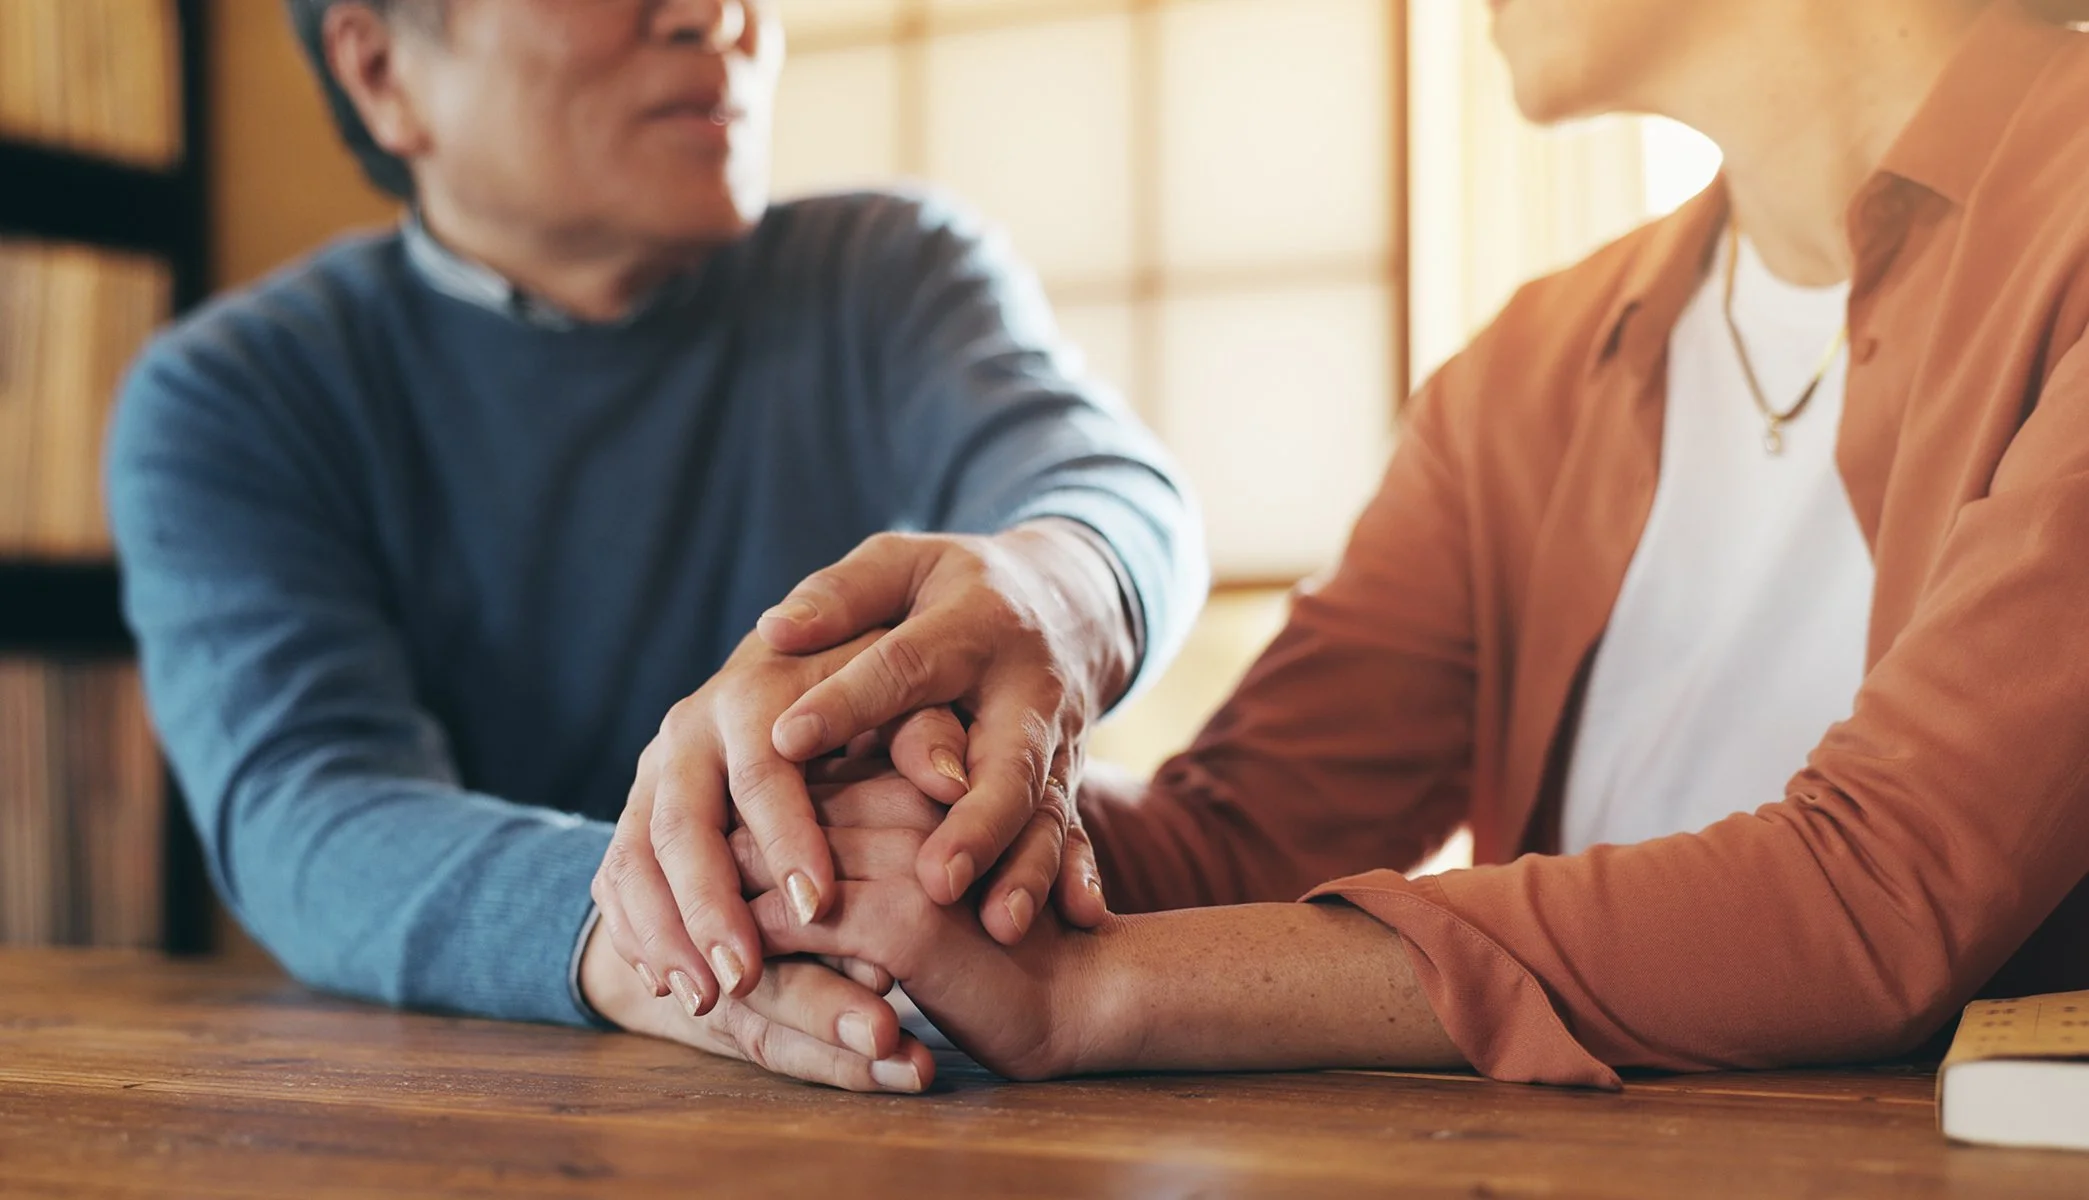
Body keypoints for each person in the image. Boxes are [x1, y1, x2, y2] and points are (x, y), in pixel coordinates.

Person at [711, 0, 2089, 1088]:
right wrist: (931, 795)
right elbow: (1236, 840)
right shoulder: (1533, 369)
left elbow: (1885, 892)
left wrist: (1100, 994)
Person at [108, 0, 1205, 1095]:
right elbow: (311, 809)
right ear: (383, 66)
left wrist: (1050, 591)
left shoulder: (888, 271)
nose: (713, 17)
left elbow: (1104, 489)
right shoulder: (234, 396)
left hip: (925, 1076)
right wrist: (660, 924)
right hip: (460, 1100)